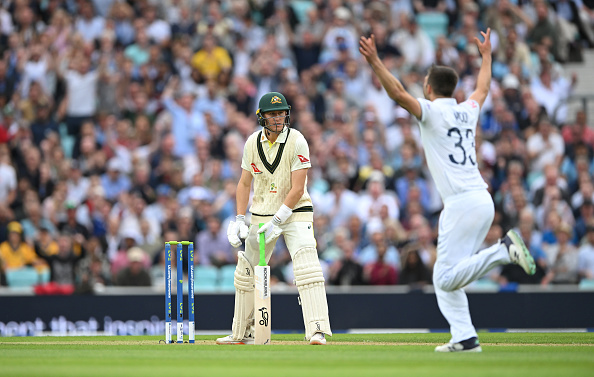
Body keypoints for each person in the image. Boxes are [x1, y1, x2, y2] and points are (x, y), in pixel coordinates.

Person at [359, 29, 536, 352]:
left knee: (443, 277)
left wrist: (374, 62)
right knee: (447, 275)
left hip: (461, 203)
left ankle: (502, 251)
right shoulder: (467, 109)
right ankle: (465, 337)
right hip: (481, 199)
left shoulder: (431, 111)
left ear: (428, 87)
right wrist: (486, 56)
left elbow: (398, 94)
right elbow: (483, 87)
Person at [217, 92, 331, 345]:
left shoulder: (297, 140)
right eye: (272, 114)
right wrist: (238, 219)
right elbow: (244, 183)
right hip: (260, 213)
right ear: (262, 117)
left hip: (296, 212)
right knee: (246, 271)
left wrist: (278, 220)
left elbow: (298, 188)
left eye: (281, 113)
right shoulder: (251, 143)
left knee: (306, 264)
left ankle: (317, 330)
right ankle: (241, 333)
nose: (278, 118)